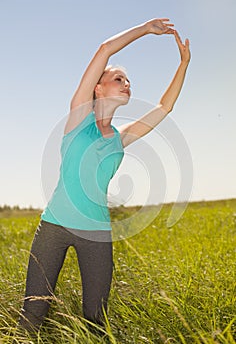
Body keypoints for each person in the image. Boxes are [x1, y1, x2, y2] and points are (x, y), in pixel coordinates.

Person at [19, 18, 190, 334]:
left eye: (129, 81)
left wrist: (184, 63)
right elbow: (105, 48)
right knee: (33, 312)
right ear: (98, 87)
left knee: (96, 320)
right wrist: (145, 29)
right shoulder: (78, 118)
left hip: (97, 233)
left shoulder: (119, 138)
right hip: (54, 227)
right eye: (119, 78)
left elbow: (164, 107)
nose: (127, 84)